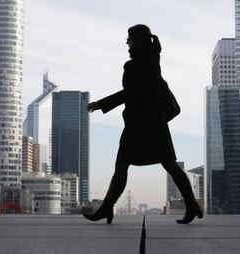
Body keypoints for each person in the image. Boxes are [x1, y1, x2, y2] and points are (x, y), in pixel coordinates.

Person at [84, 24, 202, 224]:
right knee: (161, 165)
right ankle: (191, 206)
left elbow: (134, 91)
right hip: (150, 123)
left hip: (143, 124)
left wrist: (102, 103)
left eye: (129, 38)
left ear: (137, 40)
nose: (126, 42)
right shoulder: (148, 60)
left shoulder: (145, 62)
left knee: (128, 165)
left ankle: (106, 209)